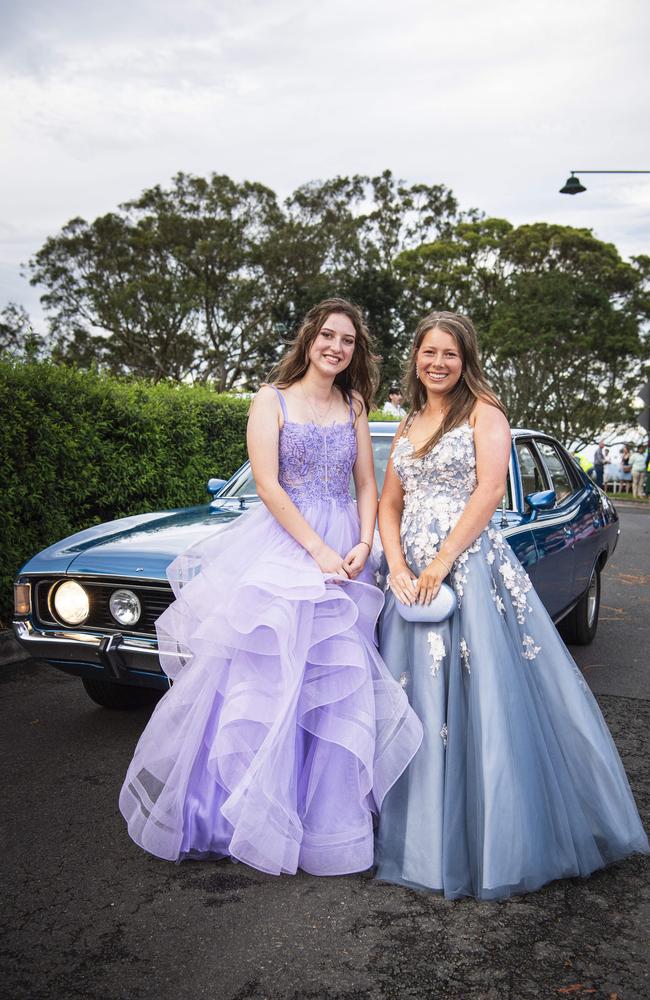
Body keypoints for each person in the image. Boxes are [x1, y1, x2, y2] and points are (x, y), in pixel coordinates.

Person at [120, 298, 422, 875]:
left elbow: (366, 482)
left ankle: (321, 820)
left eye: (348, 341)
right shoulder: (270, 399)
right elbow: (267, 485)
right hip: (290, 543)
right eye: (328, 336)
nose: (337, 347)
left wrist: (362, 543)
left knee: (333, 679)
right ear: (309, 339)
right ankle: (237, 814)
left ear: (355, 352)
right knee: (266, 673)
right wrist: (319, 551)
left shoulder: (354, 403)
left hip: (346, 551)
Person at [375, 310, 648, 900]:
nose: (438, 363)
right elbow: (389, 502)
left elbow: (491, 491)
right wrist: (396, 565)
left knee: (484, 703)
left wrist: (440, 561)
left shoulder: (484, 413)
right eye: (429, 353)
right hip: (409, 582)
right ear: (416, 359)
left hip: (467, 570)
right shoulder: (407, 422)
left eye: (450, 353)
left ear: (465, 358)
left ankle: (492, 837)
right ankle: (413, 828)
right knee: (414, 698)